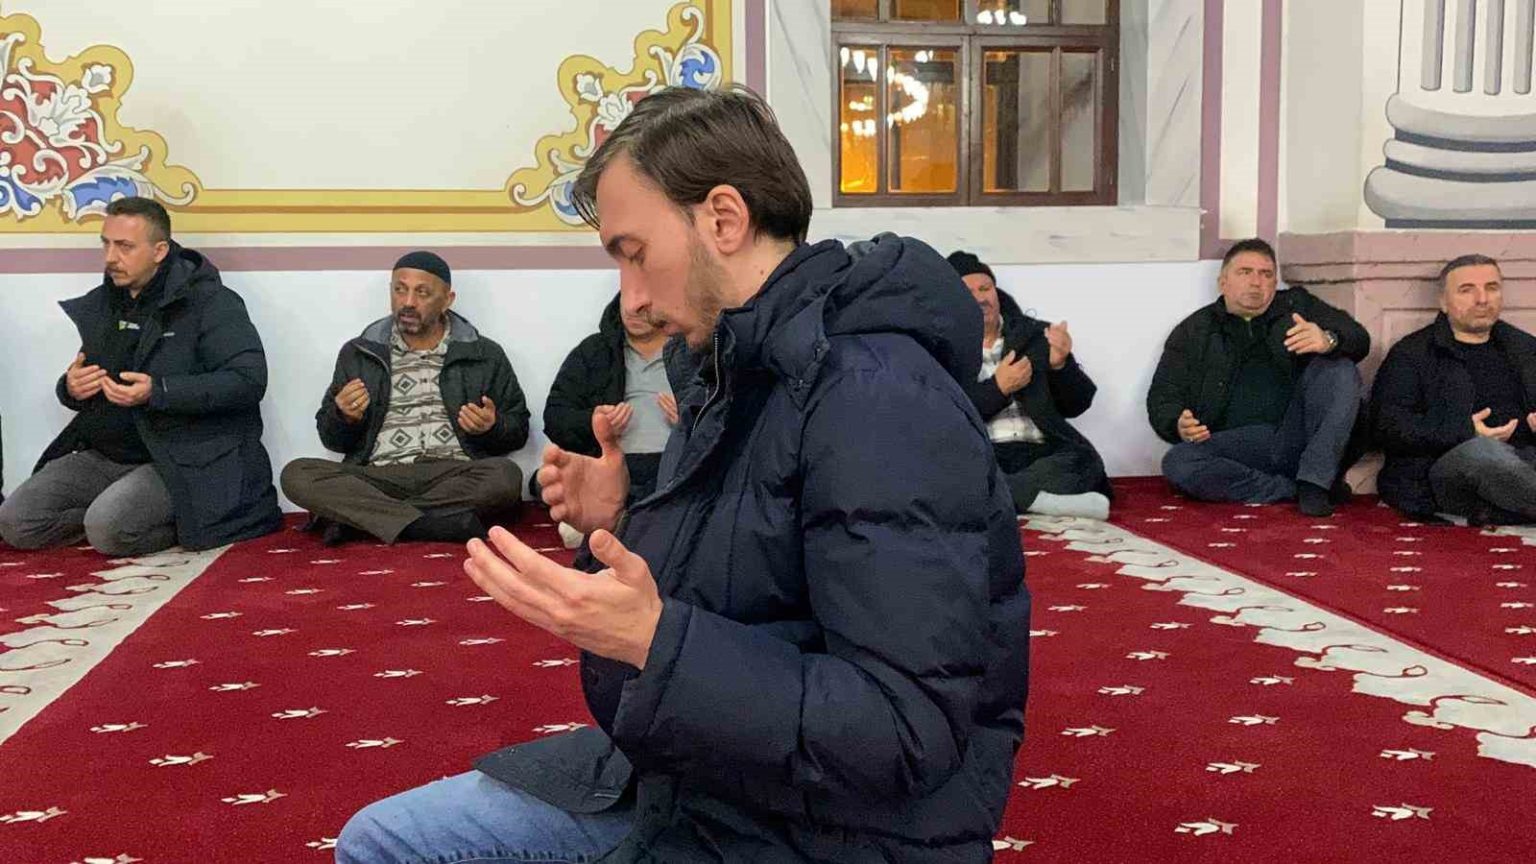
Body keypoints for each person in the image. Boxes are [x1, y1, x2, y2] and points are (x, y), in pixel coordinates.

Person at [337, 86, 1031, 864]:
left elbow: (904, 731)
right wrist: (619, 528)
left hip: (829, 831)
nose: (630, 296)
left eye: (634, 253)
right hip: (713, 773)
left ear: (723, 219)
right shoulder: (736, 368)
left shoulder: (877, 395)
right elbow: (738, 593)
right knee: (383, 841)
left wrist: (657, 640)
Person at [0, 197, 281, 555]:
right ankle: (118, 517)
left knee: (108, 530)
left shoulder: (212, 302)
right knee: (16, 522)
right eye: (106, 244)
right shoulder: (106, 302)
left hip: (179, 458)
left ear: (159, 250)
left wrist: (158, 391)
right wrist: (70, 387)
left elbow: (248, 380)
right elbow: (88, 374)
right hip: (105, 454)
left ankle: (184, 520)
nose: (110, 257)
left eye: (125, 246)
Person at [280, 252, 528, 545]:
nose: (408, 302)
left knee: (505, 476)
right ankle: (435, 524)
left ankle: (365, 520)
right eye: (400, 290)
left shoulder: (485, 354)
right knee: (297, 474)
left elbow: (518, 430)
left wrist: (491, 427)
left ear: (447, 300)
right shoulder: (359, 353)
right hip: (378, 475)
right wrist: (343, 416)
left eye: (422, 292)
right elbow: (332, 440)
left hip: (452, 473)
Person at [1148, 238, 1370, 516]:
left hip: (1300, 433)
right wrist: (1178, 425)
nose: (1256, 282)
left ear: (1275, 282)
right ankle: (1292, 489)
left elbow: (1359, 338)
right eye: (1245, 272)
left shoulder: (1298, 306)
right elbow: (1162, 397)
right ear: (1223, 282)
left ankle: (1314, 482)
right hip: (1239, 444)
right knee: (1179, 462)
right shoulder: (1195, 330)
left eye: (1266, 274)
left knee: (1340, 368)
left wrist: (1328, 340)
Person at [1371, 254, 1536, 524]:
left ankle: (1509, 511)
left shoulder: (1525, 348)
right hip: (1449, 467)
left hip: (1526, 458)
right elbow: (1387, 426)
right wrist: (1464, 431)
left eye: (1491, 288)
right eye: (1466, 290)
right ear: (1443, 302)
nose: (1482, 299)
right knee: (1484, 452)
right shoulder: (1412, 354)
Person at [949, 250, 1111, 519]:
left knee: (1085, 461)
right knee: (948, 470)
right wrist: (998, 389)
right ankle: (1043, 502)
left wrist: (1061, 366)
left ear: (996, 292)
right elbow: (946, 417)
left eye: (985, 288)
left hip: (1039, 451)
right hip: (984, 453)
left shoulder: (1034, 335)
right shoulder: (941, 347)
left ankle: (1004, 497)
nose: (980, 298)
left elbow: (1077, 404)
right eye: (968, 291)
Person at [541, 294, 679, 545]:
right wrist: (593, 423)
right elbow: (555, 417)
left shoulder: (693, 349)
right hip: (614, 469)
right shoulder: (593, 351)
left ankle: (624, 525)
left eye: (644, 304)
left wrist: (692, 417)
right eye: (628, 300)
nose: (634, 310)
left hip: (674, 468)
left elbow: (731, 416)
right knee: (553, 484)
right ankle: (628, 522)